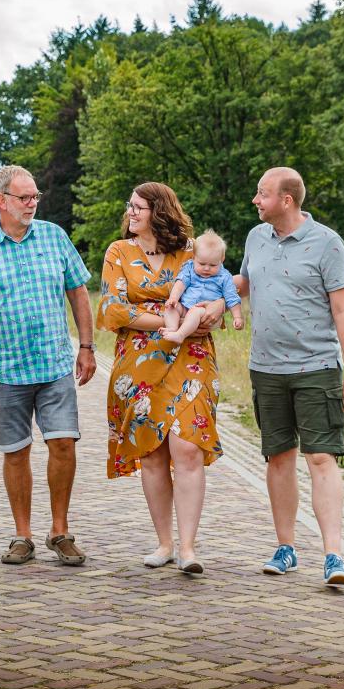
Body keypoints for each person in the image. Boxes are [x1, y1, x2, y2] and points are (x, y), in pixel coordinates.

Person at [0, 165, 96, 567]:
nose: (33, 203)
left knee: (64, 443)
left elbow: (79, 293)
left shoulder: (54, 237)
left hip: (54, 364)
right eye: (24, 198)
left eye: (35, 197)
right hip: (6, 369)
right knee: (16, 452)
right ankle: (23, 535)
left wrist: (86, 347)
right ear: (2, 201)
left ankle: (60, 531)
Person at [235, 167, 344, 587]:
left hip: (317, 368)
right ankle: (285, 548)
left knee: (321, 457)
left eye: (262, 193)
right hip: (266, 368)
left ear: (286, 200)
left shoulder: (327, 243)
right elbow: (244, 284)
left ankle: (333, 555)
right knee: (279, 457)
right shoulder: (256, 238)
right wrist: (200, 288)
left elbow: (343, 311)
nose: (256, 200)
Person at [97, 182, 226, 574]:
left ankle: (188, 548)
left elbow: (221, 289)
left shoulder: (191, 251)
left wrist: (211, 313)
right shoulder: (118, 252)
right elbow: (114, 311)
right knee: (152, 453)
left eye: (138, 208)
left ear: (159, 211)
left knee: (186, 447)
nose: (130, 213)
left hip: (191, 358)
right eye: (129, 207)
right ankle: (165, 542)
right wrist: (174, 322)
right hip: (139, 366)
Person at [161, 229, 244, 343]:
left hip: (205, 312)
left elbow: (232, 297)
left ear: (221, 260)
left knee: (195, 311)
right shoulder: (189, 268)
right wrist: (174, 298)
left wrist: (237, 317)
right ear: (194, 257)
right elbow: (180, 283)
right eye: (202, 264)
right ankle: (172, 328)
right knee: (171, 308)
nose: (206, 268)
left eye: (213, 265)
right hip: (186, 306)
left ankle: (180, 335)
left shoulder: (224, 277)